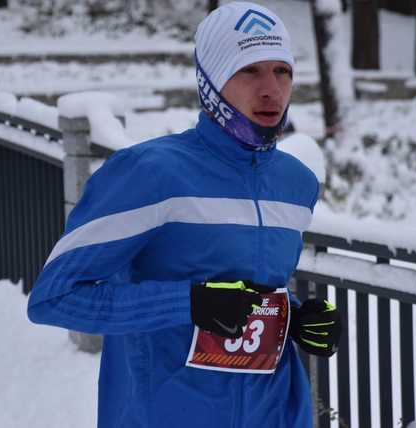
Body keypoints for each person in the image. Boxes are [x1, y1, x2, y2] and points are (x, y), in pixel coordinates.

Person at [27, 2, 341, 427]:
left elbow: (252, 289)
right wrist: (188, 303)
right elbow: (54, 299)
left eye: (281, 70)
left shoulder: (296, 183)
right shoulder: (150, 173)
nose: (271, 89)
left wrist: (298, 317)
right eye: (248, 70)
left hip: (276, 414)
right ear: (210, 79)